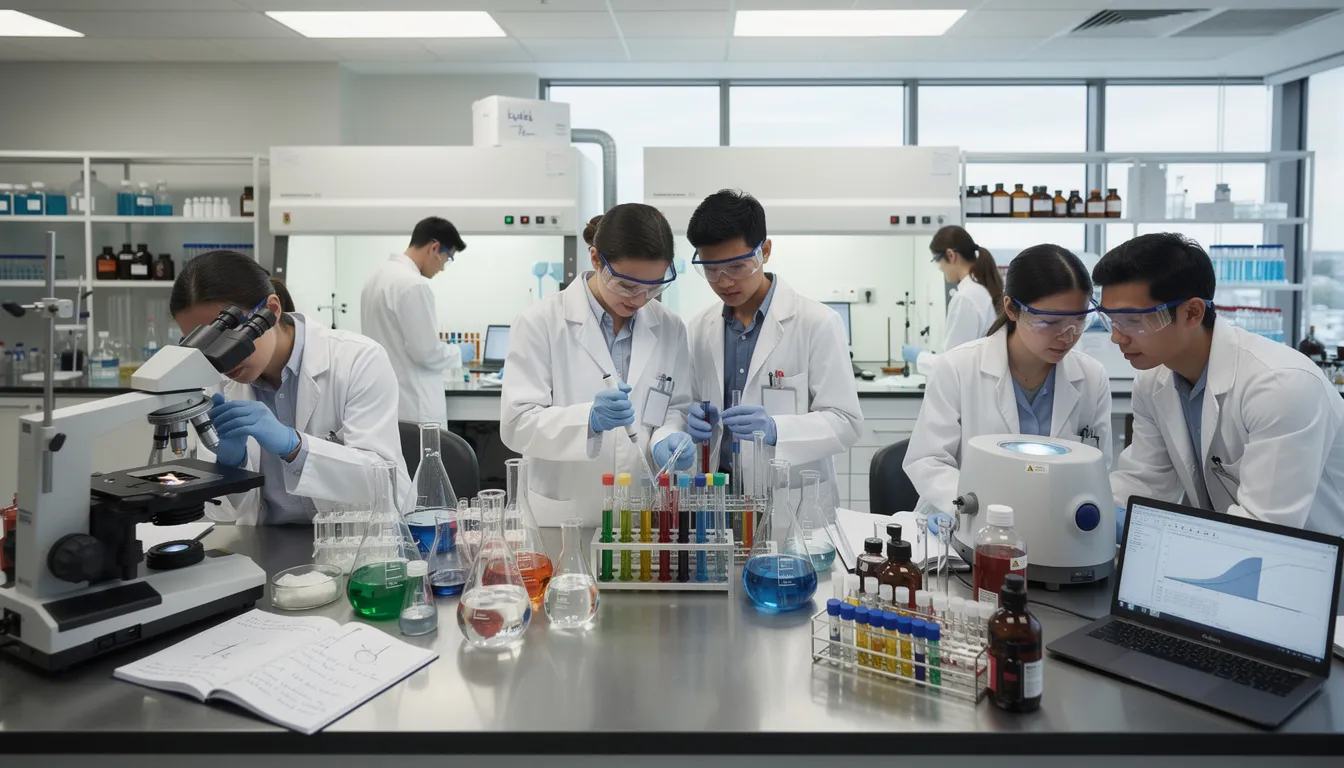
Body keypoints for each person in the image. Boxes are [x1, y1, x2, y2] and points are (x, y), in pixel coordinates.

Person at [1097, 233, 1344, 539]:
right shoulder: (1152, 382)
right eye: (1111, 321)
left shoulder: (1281, 384)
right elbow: (1145, 483)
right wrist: (1093, 517)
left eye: (1133, 321)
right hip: (1226, 554)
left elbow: (1264, 527)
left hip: (1311, 569)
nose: (1117, 337)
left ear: (1192, 312)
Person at [171, 250, 409, 525]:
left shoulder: (359, 359)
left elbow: (380, 484)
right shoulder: (214, 385)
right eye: (203, 342)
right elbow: (222, 512)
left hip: (356, 546)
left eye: (223, 335)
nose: (220, 359)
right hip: (266, 547)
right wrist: (231, 465)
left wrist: (294, 447)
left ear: (271, 310)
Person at [501, 204, 693, 526]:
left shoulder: (671, 327)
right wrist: (587, 419)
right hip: (563, 515)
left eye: (653, 287)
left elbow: (675, 406)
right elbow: (516, 423)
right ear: (595, 259)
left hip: (641, 512)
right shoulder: (540, 322)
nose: (639, 299)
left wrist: (667, 437)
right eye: (628, 286)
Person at [905, 244, 1112, 528]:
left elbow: (1098, 469)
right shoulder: (958, 368)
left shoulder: (1091, 377)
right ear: (1012, 308)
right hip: (966, 525)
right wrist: (975, 509)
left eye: (1079, 320)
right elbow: (927, 461)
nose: (1068, 336)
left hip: (1054, 529)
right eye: (1051, 322)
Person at [683, 190, 862, 510]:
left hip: (789, 498)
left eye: (737, 266)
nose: (723, 282)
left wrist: (777, 429)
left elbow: (846, 422)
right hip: (717, 495)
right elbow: (690, 402)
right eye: (711, 269)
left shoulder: (817, 323)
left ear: (765, 251)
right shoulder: (699, 328)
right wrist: (690, 418)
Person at [360, 216, 468, 427]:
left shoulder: (375, 279)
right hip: (415, 406)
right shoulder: (413, 285)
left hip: (385, 402)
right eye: (447, 259)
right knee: (424, 460)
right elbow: (426, 352)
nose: (442, 268)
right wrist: (458, 353)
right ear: (434, 248)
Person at [903, 225, 1002, 373]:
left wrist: (919, 357)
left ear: (950, 255)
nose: (940, 268)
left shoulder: (966, 297)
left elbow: (952, 365)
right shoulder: (981, 289)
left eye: (938, 261)